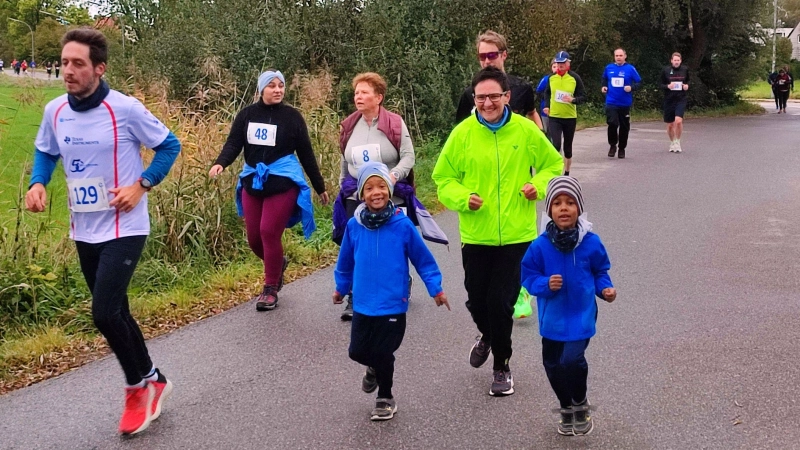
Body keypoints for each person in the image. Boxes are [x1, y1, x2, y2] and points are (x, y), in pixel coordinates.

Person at [25, 27, 181, 435]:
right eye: (64, 63)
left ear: (99, 68)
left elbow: (170, 145)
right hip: (84, 227)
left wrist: (141, 184)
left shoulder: (124, 108)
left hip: (125, 225)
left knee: (103, 311)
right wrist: (38, 182)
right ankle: (153, 377)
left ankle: (136, 390)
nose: (68, 71)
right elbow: (46, 149)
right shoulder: (55, 110)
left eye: (78, 64)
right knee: (117, 310)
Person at [433, 66, 563, 396]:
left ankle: (502, 365)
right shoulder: (462, 134)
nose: (487, 103)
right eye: (481, 97)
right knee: (477, 301)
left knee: (501, 302)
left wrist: (538, 184)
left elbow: (553, 164)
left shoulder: (524, 130)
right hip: (477, 234)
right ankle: (489, 336)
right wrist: (463, 198)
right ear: (473, 99)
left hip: (518, 235)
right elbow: (442, 179)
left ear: (506, 96)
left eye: (494, 96)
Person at [333, 162, 450, 421]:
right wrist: (341, 289)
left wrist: (436, 289)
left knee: (385, 352)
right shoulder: (354, 226)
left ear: (390, 189)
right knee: (357, 352)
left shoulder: (402, 224)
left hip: (393, 302)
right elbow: (345, 262)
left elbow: (423, 260)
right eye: (370, 187)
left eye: (382, 186)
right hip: (363, 303)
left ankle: (385, 397)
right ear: (361, 194)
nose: (377, 192)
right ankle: (373, 367)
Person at [209, 70, 329, 311]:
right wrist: (220, 162)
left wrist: (319, 187)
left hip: (283, 181)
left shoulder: (292, 117)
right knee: (254, 239)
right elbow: (234, 143)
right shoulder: (247, 115)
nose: (277, 90)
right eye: (272, 86)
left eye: (281, 86)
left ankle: (270, 288)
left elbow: (306, 153)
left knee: (268, 232)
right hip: (253, 181)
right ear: (261, 90)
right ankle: (277, 263)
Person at [333, 72, 447, 320]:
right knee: (356, 244)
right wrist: (344, 187)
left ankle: (399, 281)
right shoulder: (350, 125)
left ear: (379, 97)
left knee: (393, 244)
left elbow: (408, 156)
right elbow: (345, 159)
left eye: (364, 92)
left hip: (390, 195)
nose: (358, 97)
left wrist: (392, 177)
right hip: (357, 194)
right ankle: (354, 295)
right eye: (356, 93)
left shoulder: (394, 123)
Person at [520, 176, 616, 436]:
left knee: (572, 359)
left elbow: (600, 271)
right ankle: (566, 407)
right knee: (552, 364)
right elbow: (527, 276)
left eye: (570, 202)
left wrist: (604, 289)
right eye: (558, 203)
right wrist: (543, 284)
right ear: (549, 209)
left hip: (581, 314)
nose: (564, 208)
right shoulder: (539, 246)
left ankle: (580, 403)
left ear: (579, 208)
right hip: (552, 319)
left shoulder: (591, 242)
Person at [456, 30, 543, 129]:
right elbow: (460, 127)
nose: (487, 61)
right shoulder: (469, 94)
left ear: (504, 55)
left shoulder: (522, 88)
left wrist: (542, 135)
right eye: (482, 56)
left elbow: (531, 113)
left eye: (492, 55)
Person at [543, 51, 586, 176]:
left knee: (567, 148)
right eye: (558, 63)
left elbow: (583, 96)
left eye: (563, 63)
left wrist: (573, 100)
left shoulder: (574, 78)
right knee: (555, 144)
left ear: (568, 63)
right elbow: (547, 93)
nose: (560, 66)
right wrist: (547, 106)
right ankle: (555, 172)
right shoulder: (551, 78)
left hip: (569, 117)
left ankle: (566, 173)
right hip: (554, 117)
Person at [601, 48, 641, 159]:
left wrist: (631, 88)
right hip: (611, 101)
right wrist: (604, 87)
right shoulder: (609, 68)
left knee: (624, 127)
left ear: (625, 56)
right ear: (614, 57)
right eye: (616, 55)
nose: (618, 57)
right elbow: (604, 79)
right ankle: (613, 145)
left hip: (624, 103)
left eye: (620, 55)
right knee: (612, 123)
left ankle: (622, 148)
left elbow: (639, 82)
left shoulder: (630, 69)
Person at [659, 52, 690, 153]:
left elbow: (688, 82)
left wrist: (686, 86)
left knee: (678, 121)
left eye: (678, 60)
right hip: (669, 99)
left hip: (681, 99)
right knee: (670, 124)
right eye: (675, 60)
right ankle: (672, 142)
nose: (676, 62)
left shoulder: (685, 70)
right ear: (671, 61)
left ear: (680, 61)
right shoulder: (666, 70)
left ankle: (678, 142)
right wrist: (667, 86)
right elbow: (660, 84)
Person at [536, 60, 558, 135]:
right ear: (551, 68)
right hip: (546, 109)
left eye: (558, 66)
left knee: (556, 133)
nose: (556, 68)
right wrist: (547, 97)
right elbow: (538, 91)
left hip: (559, 111)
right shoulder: (546, 79)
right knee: (546, 131)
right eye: (554, 67)